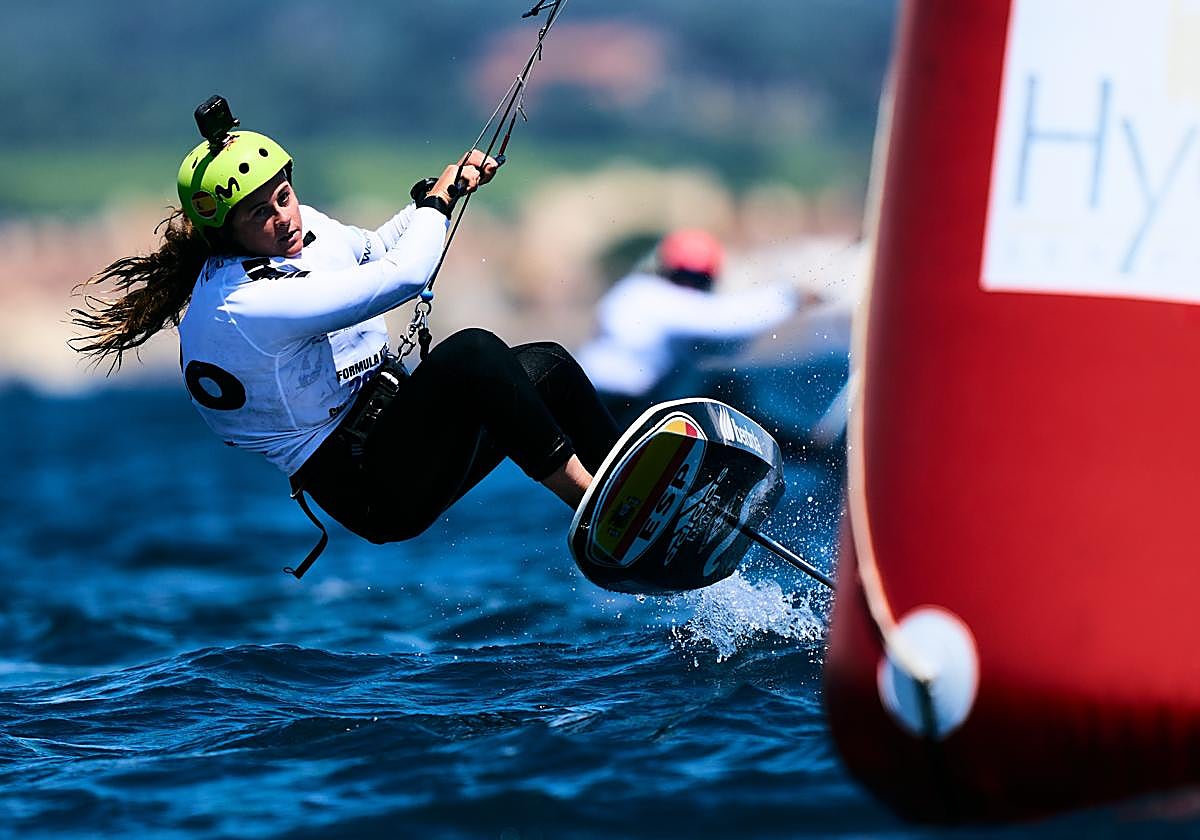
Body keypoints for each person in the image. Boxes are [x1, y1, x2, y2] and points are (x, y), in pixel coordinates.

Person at [71, 96, 619, 577]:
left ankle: (639, 481)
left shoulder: (299, 232)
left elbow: (379, 252)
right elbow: (404, 277)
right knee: (473, 353)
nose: (283, 218)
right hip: (372, 487)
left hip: (401, 432)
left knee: (548, 366)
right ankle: (594, 507)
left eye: (283, 196)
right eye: (259, 213)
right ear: (225, 235)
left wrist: (440, 194)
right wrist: (434, 208)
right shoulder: (244, 303)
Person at [576, 229, 799, 427]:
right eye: (684, 276)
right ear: (666, 271)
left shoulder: (635, 290)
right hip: (609, 402)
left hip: (604, 401)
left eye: (699, 280)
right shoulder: (649, 294)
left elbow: (722, 343)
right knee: (718, 382)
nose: (690, 288)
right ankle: (795, 445)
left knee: (715, 378)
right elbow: (726, 319)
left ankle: (790, 441)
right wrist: (791, 297)